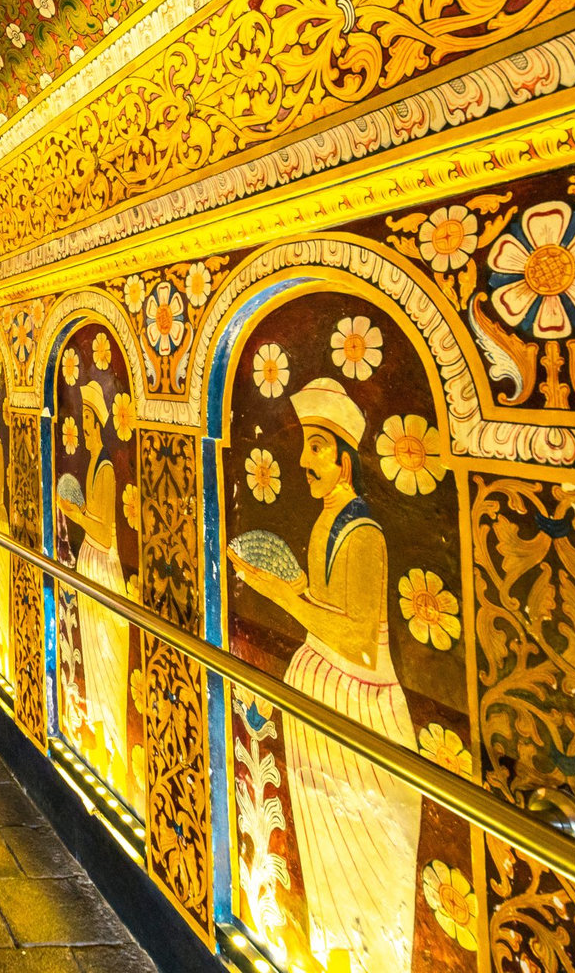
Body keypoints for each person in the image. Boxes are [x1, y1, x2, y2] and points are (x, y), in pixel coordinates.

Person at [232, 378, 418, 973]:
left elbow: (359, 636)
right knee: (326, 860)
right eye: (307, 446)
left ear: (345, 460)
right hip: (324, 701)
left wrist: (277, 594)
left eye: (317, 448)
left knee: (365, 868)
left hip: (357, 706)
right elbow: (324, 606)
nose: (305, 459)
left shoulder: (363, 534)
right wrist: (287, 591)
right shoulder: (326, 522)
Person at [55, 381, 132, 804]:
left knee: (106, 657)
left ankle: (113, 750)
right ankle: (101, 744)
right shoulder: (95, 463)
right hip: (90, 561)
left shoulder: (104, 468)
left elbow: (106, 529)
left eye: (88, 420)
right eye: (81, 418)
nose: (83, 426)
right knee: (95, 655)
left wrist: (75, 513)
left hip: (103, 564)